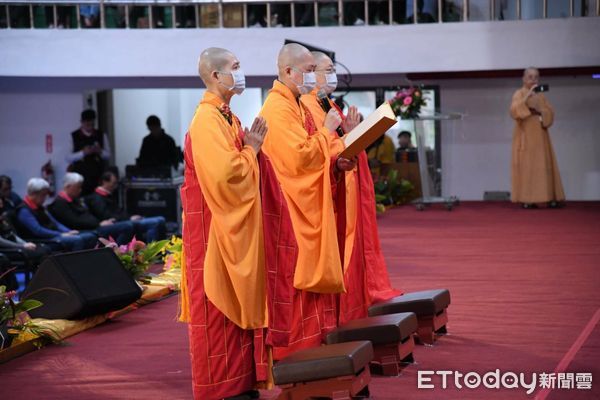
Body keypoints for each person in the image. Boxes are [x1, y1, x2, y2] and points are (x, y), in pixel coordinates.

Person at [179, 47, 268, 400]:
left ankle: (242, 383)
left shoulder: (227, 116)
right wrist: (252, 150)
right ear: (216, 76)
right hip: (212, 233)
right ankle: (221, 390)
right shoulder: (206, 120)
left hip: (227, 228)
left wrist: (252, 148)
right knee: (217, 313)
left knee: (234, 310)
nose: (240, 72)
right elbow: (226, 176)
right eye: (235, 67)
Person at [259, 43, 355, 360]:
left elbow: (314, 154)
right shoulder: (277, 108)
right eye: (310, 71)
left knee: (309, 288)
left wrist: (338, 159)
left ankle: (314, 351)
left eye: (316, 71)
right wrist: (328, 131)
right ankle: (297, 358)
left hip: (306, 202)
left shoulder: (296, 104)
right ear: (288, 71)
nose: (314, 78)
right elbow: (298, 159)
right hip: (291, 209)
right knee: (296, 282)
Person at [302, 51, 401, 324]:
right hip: (332, 185)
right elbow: (320, 150)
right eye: (328, 69)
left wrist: (351, 131)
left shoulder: (326, 102)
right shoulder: (308, 104)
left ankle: (356, 299)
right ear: (312, 73)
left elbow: (338, 141)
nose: (333, 75)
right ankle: (345, 305)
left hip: (348, 177)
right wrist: (347, 135)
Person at [510, 67, 565, 209]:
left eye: (536, 77)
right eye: (530, 77)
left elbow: (550, 111)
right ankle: (528, 199)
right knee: (528, 166)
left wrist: (542, 111)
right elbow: (514, 110)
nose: (533, 80)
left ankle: (549, 197)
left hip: (541, 133)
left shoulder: (541, 96)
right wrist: (526, 98)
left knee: (544, 165)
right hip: (526, 133)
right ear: (524, 78)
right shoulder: (519, 93)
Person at [49, 173, 134, 245]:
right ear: (68, 186)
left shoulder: (76, 199)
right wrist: (98, 224)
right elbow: (74, 221)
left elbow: (87, 215)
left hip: (94, 226)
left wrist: (100, 223)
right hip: (85, 229)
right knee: (126, 227)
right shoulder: (60, 203)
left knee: (126, 225)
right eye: (78, 187)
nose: (80, 190)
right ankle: (116, 253)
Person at [15, 178, 97, 251]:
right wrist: (61, 234)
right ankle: (74, 265)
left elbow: (55, 222)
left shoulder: (40, 207)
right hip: (44, 240)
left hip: (54, 235)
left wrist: (68, 231)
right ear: (34, 194)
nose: (45, 198)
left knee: (91, 236)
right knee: (77, 240)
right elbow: (38, 231)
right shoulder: (24, 210)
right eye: (43, 195)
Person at [85, 171, 166, 242]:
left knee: (160, 220)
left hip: (123, 220)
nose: (115, 186)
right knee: (154, 223)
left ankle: (162, 250)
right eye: (113, 183)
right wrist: (128, 218)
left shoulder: (109, 195)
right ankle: (152, 252)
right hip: (116, 223)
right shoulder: (96, 198)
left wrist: (130, 217)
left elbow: (119, 212)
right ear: (105, 182)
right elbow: (107, 215)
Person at [66, 109, 111, 195]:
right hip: (80, 177)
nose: (90, 126)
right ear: (82, 122)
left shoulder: (101, 135)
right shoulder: (73, 136)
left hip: (98, 176)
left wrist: (100, 151)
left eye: (92, 124)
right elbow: (68, 157)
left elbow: (108, 155)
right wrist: (83, 153)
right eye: (87, 124)